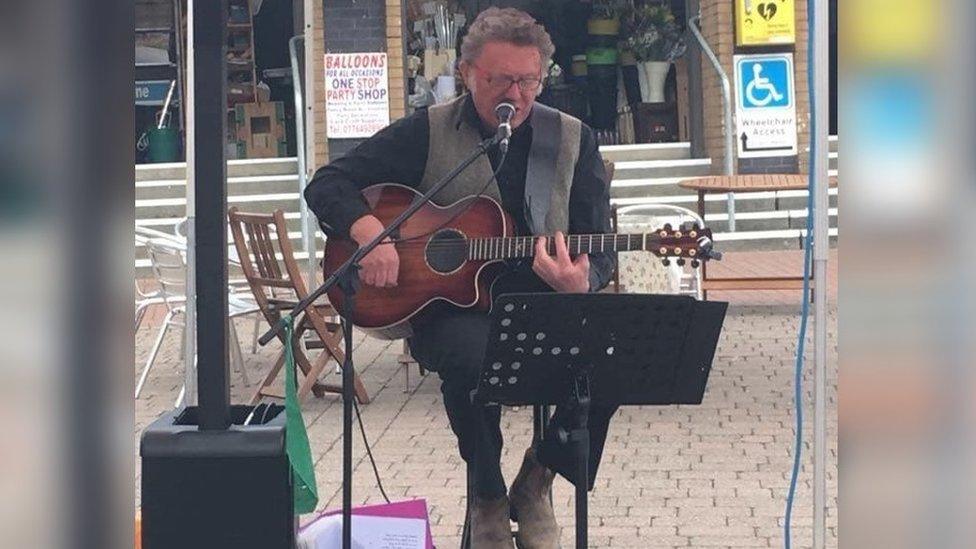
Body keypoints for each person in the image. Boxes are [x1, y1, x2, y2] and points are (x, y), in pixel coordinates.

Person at [305, 8, 618, 548]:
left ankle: (536, 480)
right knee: (475, 366)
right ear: (469, 72)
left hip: (545, 304)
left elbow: (600, 241)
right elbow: (328, 181)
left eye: (528, 81)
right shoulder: (426, 131)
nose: (515, 94)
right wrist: (367, 231)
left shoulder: (572, 139)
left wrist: (581, 283)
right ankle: (488, 496)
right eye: (500, 80)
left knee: (616, 361)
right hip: (450, 310)